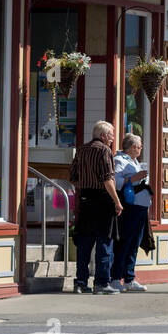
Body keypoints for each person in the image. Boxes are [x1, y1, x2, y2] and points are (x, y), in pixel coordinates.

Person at [68, 120, 122, 294]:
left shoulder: (82, 150)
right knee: (104, 243)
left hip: (85, 199)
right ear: (104, 135)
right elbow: (107, 179)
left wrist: (85, 186)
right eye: (112, 135)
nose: (113, 139)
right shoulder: (104, 150)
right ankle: (101, 283)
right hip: (102, 200)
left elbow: (73, 176)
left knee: (84, 243)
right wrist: (117, 201)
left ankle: (81, 282)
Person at [112, 132, 152, 291]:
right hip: (130, 206)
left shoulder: (135, 161)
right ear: (133, 147)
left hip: (141, 206)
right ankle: (115, 278)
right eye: (140, 146)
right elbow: (115, 181)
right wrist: (134, 178)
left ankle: (129, 278)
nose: (141, 148)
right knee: (124, 242)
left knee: (135, 243)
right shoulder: (119, 160)